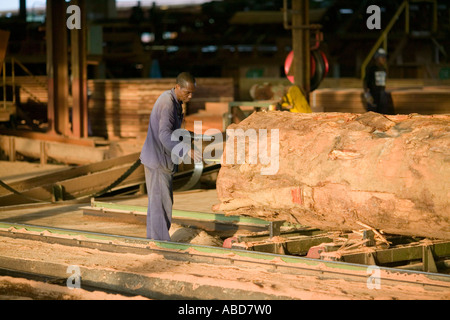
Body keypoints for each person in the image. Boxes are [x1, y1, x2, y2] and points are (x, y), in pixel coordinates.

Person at [140, 72, 197, 241]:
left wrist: (192, 136)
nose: (190, 96)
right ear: (177, 87)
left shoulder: (175, 101)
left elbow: (172, 131)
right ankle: (161, 244)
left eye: (192, 92)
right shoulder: (167, 104)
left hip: (159, 159)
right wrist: (185, 151)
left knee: (157, 204)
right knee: (161, 205)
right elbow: (164, 135)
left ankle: (154, 241)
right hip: (158, 160)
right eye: (187, 92)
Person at [363, 48, 389, 114]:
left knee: (383, 114)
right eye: (382, 57)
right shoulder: (371, 69)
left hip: (382, 95)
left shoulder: (384, 69)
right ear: (377, 58)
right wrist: (367, 95)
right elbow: (365, 82)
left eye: (384, 57)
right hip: (373, 95)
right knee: (372, 115)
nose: (384, 59)